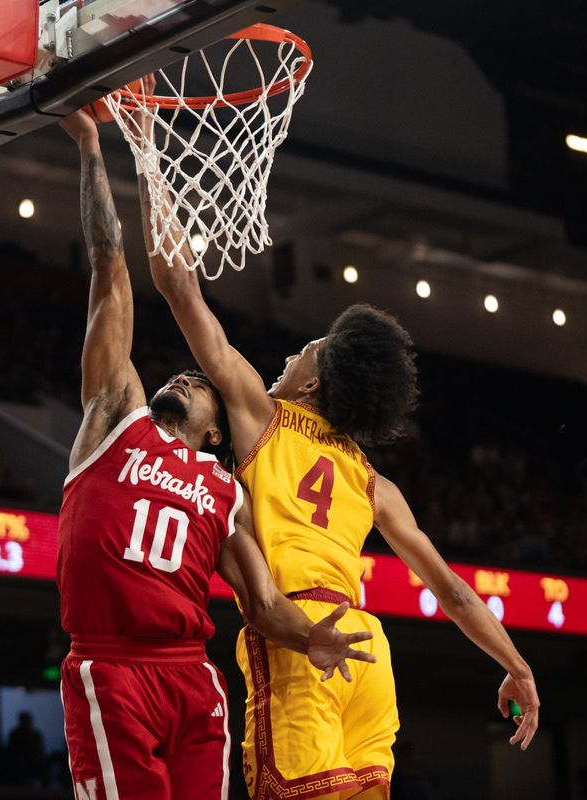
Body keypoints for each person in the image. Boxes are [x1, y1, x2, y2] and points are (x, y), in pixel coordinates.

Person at [139, 139, 542, 800]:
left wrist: (151, 161)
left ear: (316, 378)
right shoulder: (373, 483)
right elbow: (454, 592)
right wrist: (516, 664)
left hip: (304, 639)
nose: (289, 358)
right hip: (366, 650)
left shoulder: (260, 414)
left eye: (302, 350)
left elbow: (179, 287)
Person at [56, 109, 375, 800]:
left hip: (192, 676)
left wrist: (306, 638)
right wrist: (90, 146)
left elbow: (261, 600)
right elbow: (110, 270)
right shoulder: (115, 420)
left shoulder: (227, 492)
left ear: (216, 434)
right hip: (111, 665)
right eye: (178, 377)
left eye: (195, 384)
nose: (181, 379)